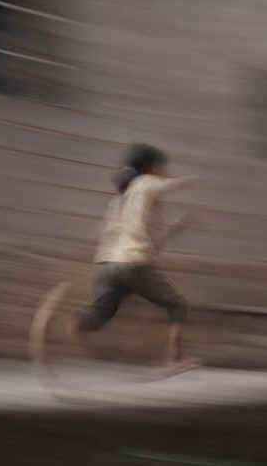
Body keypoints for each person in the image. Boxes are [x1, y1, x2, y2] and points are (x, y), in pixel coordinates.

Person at [71, 143, 199, 376]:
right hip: (133, 263)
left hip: (107, 264)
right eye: (160, 167)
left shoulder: (120, 198)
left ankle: (76, 321)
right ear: (151, 167)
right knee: (177, 305)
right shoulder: (145, 182)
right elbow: (160, 186)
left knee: (103, 312)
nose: (163, 171)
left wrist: (179, 227)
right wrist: (190, 180)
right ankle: (173, 360)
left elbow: (140, 234)